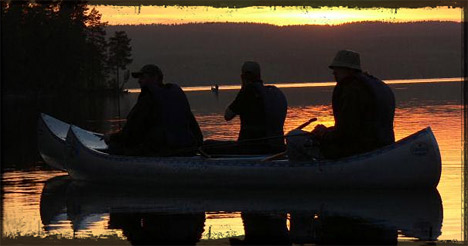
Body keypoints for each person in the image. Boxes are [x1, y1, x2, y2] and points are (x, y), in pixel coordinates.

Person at [288, 50, 395, 160]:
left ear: (349, 70)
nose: (333, 72)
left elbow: (346, 134)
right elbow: (354, 127)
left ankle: (306, 173)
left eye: (338, 68)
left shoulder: (352, 90)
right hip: (379, 148)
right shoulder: (374, 85)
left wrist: (324, 134)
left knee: (294, 137)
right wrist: (328, 131)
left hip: (354, 152)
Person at [104, 64, 203, 156]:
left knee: (113, 147)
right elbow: (195, 128)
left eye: (142, 77)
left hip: (162, 150)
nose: (139, 81)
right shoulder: (176, 94)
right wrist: (197, 145)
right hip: (187, 148)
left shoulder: (148, 98)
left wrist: (112, 138)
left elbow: (131, 130)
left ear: (155, 78)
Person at [204, 61, 287, 155]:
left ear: (243, 76)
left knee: (206, 145)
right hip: (274, 147)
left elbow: (227, 116)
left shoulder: (247, 91)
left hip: (250, 148)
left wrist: (242, 88)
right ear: (259, 75)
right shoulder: (273, 92)